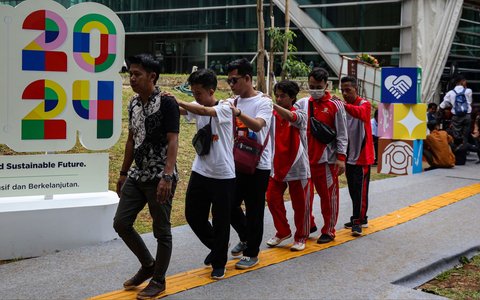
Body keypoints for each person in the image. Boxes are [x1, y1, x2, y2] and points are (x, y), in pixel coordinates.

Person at [113, 54, 180, 299]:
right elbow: (131, 139)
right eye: (130, 73)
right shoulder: (133, 103)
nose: (131, 78)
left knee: (161, 230)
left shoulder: (167, 102)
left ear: (152, 76)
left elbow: (173, 141)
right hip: (137, 174)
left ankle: (159, 280)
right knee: (121, 223)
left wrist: (167, 176)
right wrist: (122, 173)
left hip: (160, 176)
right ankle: (148, 265)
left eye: (137, 74)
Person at [175, 69, 235, 280]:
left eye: (199, 93)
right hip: (200, 171)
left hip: (223, 174)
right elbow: (187, 111)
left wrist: (180, 101)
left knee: (221, 220)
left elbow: (205, 112)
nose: (196, 97)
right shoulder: (198, 106)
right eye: (193, 93)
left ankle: (219, 262)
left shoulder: (226, 107)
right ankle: (218, 245)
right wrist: (168, 101)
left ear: (211, 91)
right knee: (193, 215)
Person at [227, 58, 273, 269]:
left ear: (247, 78)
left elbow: (258, 125)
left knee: (255, 209)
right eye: (229, 81)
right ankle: (246, 236)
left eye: (234, 80)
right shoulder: (232, 101)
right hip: (237, 161)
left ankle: (252, 252)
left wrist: (238, 113)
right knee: (228, 205)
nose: (231, 85)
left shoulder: (264, 102)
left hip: (258, 164)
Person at [294, 67, 348, 244]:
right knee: (304, 197)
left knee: (328, 196)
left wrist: (341, 158)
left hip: (326, 160)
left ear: (326, 85)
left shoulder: (335, 105)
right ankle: (309, 225)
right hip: (305, 160)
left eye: (318, 86)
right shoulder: (303, 103)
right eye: (311, 86)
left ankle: (329, 230)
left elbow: (342, 133)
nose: (314, 89)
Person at [265, 80, 311, 251]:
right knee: (271, 198)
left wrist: (273, 106)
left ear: (292, 98)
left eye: (282, 96)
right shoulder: (271, 114)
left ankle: (301, 236)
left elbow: (292, 117)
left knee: (301, 205)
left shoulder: (300, 113)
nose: (278, 99)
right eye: (276, 96)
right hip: (277, 165)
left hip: (298, 167)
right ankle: (283, 231)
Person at [337, 76, 375, 236]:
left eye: (348, 90)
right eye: (343, 90)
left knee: (361, 191)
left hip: (362, 157)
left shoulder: (364, 104)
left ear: (356, 90)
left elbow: (362, 114)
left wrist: (343, 106)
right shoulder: (343, 107)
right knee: (353, 189)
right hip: (348, 155)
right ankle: (357, 217)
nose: (345, 93)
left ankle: (360, 221)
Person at [439, 74, 472, 149]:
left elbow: (443, 105)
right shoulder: (468, 91)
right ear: (462, 81)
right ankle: (464, 149)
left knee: (456, 134)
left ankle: (457, 149)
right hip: (467, 115)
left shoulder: (451, 93)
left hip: (456, 117)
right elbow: (469, 102)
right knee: (465, 134)